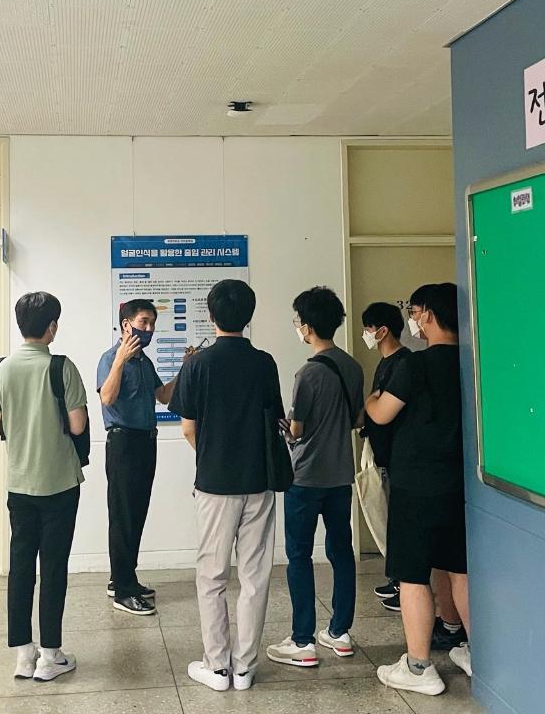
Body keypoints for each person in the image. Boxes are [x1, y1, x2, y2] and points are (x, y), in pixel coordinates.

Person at [170, 279, 285, 692]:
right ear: (248, 316)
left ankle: (217, 667)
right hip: (259, 481)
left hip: (215, 483)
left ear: (211, 315)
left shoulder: (197, 364)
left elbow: (187, 428)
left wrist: (210, 455)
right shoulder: (264, 363)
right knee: (255, 576)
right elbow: (276, 419)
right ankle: (245, 667)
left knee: (212, 576)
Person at [367, 282, 471, 697]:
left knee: (412, 575)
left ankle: (418, 666)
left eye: (414, 311)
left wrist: (373, 397)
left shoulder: (416, 365)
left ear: (427, 314)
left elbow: (380, 413)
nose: (413, 319)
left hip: (417, 484)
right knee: (460, 570)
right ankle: (478, 654)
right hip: (463, 484)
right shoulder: (473, 363)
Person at [0, 291, 88, 682]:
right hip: (59, 483)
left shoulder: (2, 368)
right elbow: (77, 426)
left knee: (20, 568)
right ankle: (50, 656)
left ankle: (23, 655)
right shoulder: (61, 367)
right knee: (53, 567)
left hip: (19, 485)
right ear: (52, 327)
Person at [267, 287, 364, 669]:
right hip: (341, 476)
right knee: (342, 552)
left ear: (307, 326)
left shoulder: (307, 373)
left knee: (299, 555)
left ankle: (302, 640)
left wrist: (286, 430)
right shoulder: (352, 367)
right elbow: (357, 419)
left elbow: (298, 429)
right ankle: (340, 632)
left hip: (305, 478)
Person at [97, 298, 180, 615]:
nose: (149, 329)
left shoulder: (145, 362)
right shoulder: (110, 358)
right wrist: (120, 360)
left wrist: (186, 368)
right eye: (144, 322)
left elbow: (163, 396)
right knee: (123, 516)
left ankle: (121, 578)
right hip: (124, 444)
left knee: (136, 513)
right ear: (126, 324)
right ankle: (123, 591)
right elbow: (107, 397)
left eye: (152, 324)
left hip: (146, 442)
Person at [360, 301, 409, 612]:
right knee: (387, 520)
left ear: (382, 331)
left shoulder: (403, 363)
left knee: (398, 522)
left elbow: (378, 410)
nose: (365, 334)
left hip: (396, 456)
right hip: (382, 454)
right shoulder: (385, 362)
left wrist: (370, 402)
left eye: (368, 328)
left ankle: (405, 585)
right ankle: (396, 578)